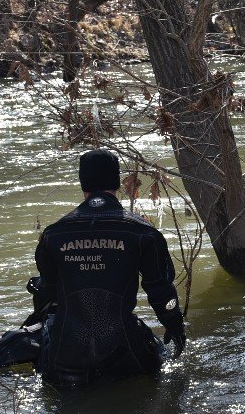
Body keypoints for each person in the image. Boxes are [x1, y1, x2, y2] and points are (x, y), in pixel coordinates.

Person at [31, 149, 186, 389]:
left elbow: (47, 293)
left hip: (67, 356)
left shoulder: (53, 234)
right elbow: (161, 291)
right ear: (117, 184)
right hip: (125, 353)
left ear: (83, 184)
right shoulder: (143, 233)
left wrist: (37, 288)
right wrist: (175, 326)